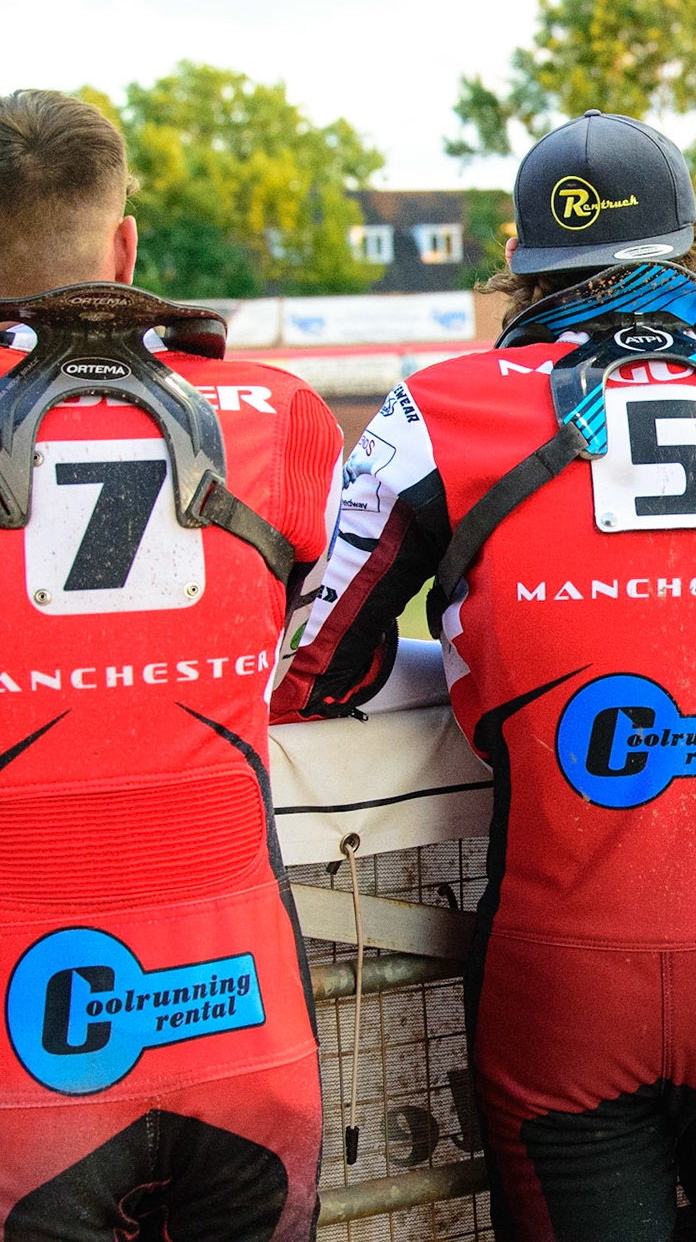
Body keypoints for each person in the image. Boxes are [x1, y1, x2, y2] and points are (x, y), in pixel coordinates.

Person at [273, 111, 696, 1241]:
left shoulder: (433, 412)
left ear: (524, 267)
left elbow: (307, 677)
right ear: (695, 252)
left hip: (560, 977)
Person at [0, 90, 339, 1238]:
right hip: (244, 1019)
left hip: (21, 1051)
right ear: (125, 246)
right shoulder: (282, 415)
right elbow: (305, 640)